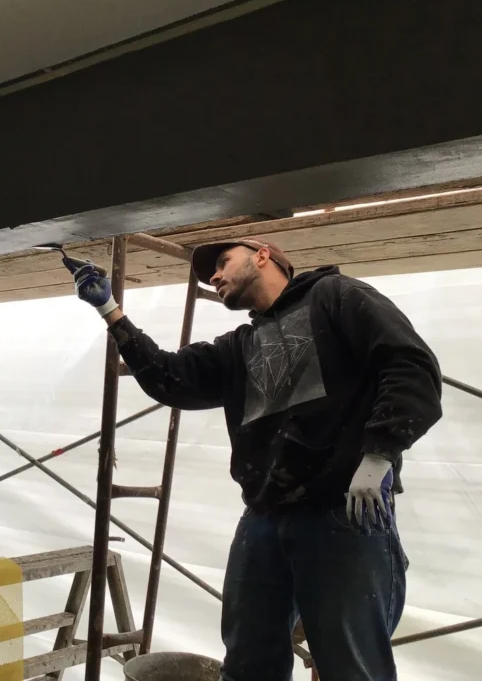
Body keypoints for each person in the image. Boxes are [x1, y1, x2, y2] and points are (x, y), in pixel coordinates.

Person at [66, 238, 442, 681]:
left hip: (342, 512)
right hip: (265, 516)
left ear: (263, 255)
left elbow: (410, 365)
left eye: (223, 263)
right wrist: (111, 309)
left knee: (349, 665)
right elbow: (170, 378)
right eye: (210, 275)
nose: (215, 277)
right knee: (248, 660)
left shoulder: (336, 297)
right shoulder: (239, 347)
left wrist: (380, 453)